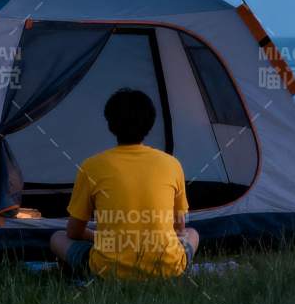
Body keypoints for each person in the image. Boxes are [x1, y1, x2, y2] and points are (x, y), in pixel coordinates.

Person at [50, 87, 198, 280]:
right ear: (150, 124)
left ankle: (73, 276)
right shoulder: (172, 164)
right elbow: (179, 229)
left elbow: (73, 232)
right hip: (168, 268)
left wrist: (99, 237)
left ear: (110, 124)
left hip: (106, 270)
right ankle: (175, 267)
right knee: (192, 233)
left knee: (57, 238)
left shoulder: (91, 166)